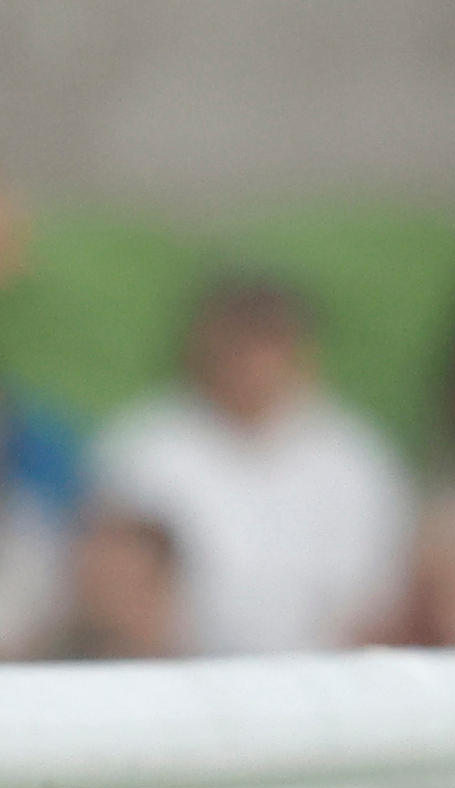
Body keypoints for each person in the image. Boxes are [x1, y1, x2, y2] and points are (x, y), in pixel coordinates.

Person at [84, 272, 415, 662]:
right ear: (202, 345)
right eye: (240, 342)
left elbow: (385, 599)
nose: (255, 362)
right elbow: (117, 597)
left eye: (271, 343)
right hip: (178, 677)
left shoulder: (356, 460)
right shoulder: (142, 448)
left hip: (329, 683)